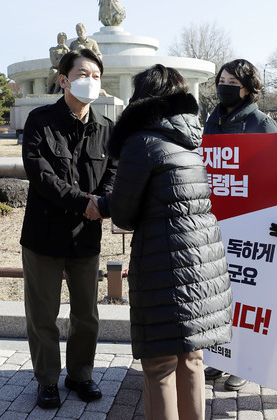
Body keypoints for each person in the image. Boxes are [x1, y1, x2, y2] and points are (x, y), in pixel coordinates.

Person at [92, 64, 233, 420]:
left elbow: (124, 213)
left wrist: (102, 205)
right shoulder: (187, 139)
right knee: (192, 357)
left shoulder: (142, 142)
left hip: (165, 262)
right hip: (202, 261)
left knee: (160, 365)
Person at [20, 49, 117, 409]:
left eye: (95, 76)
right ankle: (47, 380)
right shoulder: (40, 121)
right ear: (63, 79)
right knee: (43, 315)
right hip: (43, 236)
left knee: (86, 315)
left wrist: (102, 203)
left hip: (86, 237)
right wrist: (84, 202)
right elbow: (40, 173)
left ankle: (81, 374)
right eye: (82, 74)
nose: (89, 81)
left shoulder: (106, 128)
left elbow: (114, 173)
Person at [202, 58, 277, 392]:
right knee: (218, 293)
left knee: (248, 293)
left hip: (252, 220)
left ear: (249, 86)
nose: (225, 86)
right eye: (221, 79)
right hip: (218, 218)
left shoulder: (262, 123)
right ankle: (219, 358)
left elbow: (274, 176)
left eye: (232, 81)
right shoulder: (212, 119)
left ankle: (245, 362)